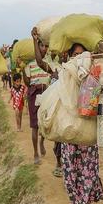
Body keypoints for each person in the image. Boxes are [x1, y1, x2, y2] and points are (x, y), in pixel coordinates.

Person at [60, 43, 103, 204]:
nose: (79, 59)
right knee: (74, 177)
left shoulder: (93, 76)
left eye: (82, 55)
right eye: (75, 55)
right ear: (69, 57)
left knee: (90, 175)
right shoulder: (65, 76)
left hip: (87, 136)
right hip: (71, 138)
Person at [31, 27, 62, 177]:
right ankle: (58, 162)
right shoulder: (53, 68)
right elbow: (39, 61)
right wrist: (35, 40)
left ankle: (61, 163)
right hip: (55, 104)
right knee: (55, 135)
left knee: (63, 137)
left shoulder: (70, 64)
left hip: (67, 106)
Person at [20, 37, 49, 164]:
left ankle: (42, 141)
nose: (44, 48)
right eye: (41, 46)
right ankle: (35, 152)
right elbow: (27, 83)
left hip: (46, 94)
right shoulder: (30, 64)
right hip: (33, 94)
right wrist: (22, 69)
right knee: (35, 126)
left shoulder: (49, 62)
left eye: (45, 46)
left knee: (45, 122)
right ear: (37, 47)